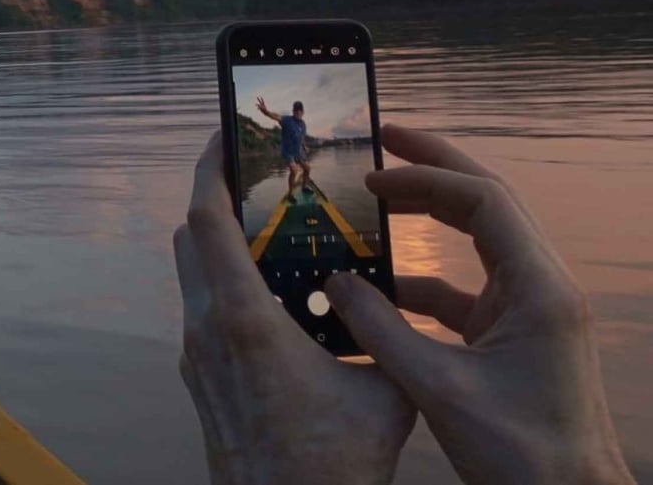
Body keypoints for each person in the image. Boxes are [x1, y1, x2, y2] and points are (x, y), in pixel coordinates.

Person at [175, 124, 635, 485]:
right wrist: (577, 472)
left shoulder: (297, 124)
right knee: (301, 178)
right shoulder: (291, 124)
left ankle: (298, 184)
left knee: (300, 179)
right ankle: (298, 183)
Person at [256, 96, 311, 199]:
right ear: (293, 111)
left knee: (307, 168)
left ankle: (304, 187)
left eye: (300, 110)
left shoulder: (303, 124)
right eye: (296, 110)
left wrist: (304, 146)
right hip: (288, 152)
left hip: (298, 152)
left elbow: (301, 137)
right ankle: (291, 194)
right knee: (294, 170)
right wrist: (265, 111)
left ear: (303, 112)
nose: (298, 112)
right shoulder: (287, 120)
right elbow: (274, 116)